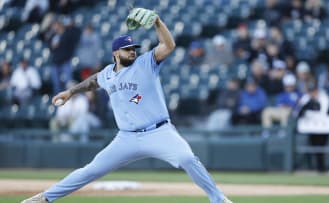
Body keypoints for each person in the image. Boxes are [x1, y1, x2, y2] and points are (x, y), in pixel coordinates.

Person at [21, 8, 232, 203]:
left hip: (158, 131)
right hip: (126, 138)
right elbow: (94, 81)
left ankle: (219, 199)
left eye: (133, 48)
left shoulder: (145, 62)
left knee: (187, 158)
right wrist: (70, 92)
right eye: (127, 49)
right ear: (115, 53)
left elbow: (168, 46)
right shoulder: (107, 73)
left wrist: (157, 22)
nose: (132, 51)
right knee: (90, 170)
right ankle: (46, 198)